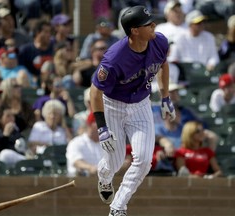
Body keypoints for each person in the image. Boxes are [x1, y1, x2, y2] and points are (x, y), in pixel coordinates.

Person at [89, 6, 176, 216]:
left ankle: (118, 207)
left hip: (141, 104)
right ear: (134, 30)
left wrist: (165, 96)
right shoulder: (114, 57)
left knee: (145, 160)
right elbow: (94, 92)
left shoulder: (159, 41)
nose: (154, 25)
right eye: (148, 23)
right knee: (115, 162)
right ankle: (104, 177)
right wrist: (101, 127)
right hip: (113, 105)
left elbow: (163, 65)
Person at [66, 112, 103, 177]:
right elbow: (76, 162)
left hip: (102, 181)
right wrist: (90, 168)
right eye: (98, 124)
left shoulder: (106, 143)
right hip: (79, 181)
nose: (101, 127)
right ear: (89, 125)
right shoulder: (76, 142)